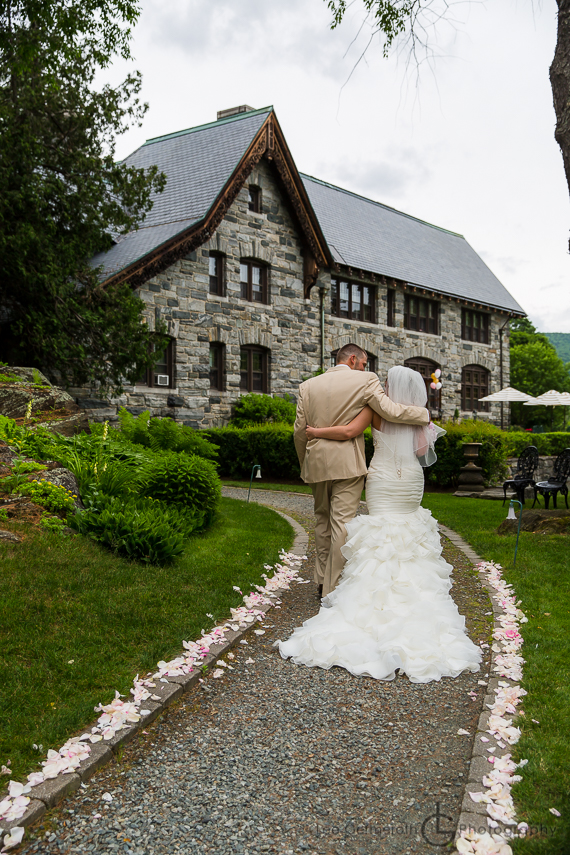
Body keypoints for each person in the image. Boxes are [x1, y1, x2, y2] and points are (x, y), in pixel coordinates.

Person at [278, 365, 481, 683]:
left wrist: (315, 433)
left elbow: (347, 433)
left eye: (386, 382)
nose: (382, 385)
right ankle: (413, 597)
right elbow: (423, 451)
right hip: (410, 479)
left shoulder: (374, 410)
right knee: (409, 534)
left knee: (381, 533)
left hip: (382, 479)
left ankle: (366, 597)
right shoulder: (420, 415)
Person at [293, 343, 429, 599]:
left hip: (315, 463)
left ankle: (321, 579)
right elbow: (391, 411)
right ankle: (331, 590)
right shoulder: (366, 380)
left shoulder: (308, 386)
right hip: (347, 464)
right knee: (341, 525)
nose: (366, 368)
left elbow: (300, 431)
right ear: (353, 359)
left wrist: (305, 462)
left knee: (322, 521)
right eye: (365, 363)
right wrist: (422, 414)